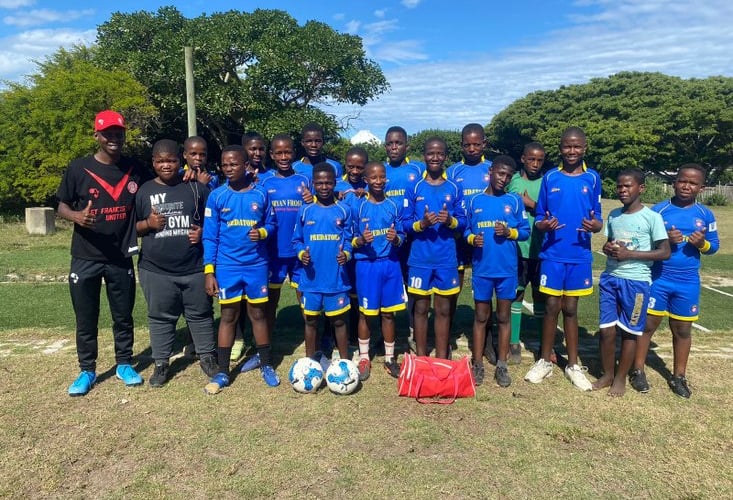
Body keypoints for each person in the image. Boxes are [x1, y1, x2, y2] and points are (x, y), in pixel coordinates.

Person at [58, 110, 151, 396]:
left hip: (120, 255)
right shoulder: (78, 168)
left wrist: (189, 175)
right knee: (86, 317)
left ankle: (124, 363)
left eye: (118, 132)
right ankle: (87, 369)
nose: (114, 138)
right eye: (108, 133)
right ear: (96, 135)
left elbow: (162, 182)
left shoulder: (135, 168)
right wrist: (76, 217)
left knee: (123, 316)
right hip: (85, 256)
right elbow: (60, 205)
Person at [523, 126, 603, 391]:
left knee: (571, 309)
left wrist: (595, 226)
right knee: (551, 307)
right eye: (567, 146)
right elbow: (541, 217)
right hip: (553, 255)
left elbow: (598, 219)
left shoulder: (592, 178)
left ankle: (572, 364)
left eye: (577, 146)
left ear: (584, 148)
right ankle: (544, 361)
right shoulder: (550, 178)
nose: (572, 151)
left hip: (579, 255)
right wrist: (544, 226)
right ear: (560, 148)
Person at [631, 164, 719, 398]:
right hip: (659, 278)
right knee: (648, 325)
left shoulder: (705, 215)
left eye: (692, 183)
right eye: (682, 181)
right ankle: (637, 370)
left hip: (687, 282)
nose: (686, 186)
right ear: (674, 182)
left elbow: (714, 247)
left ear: (701, 188)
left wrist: (702, 244)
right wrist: (666, 241)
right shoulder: (658, 212)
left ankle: (679, 376)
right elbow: (644, 244)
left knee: (682, 329)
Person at [135, 139, 218, 386]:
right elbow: (132, 228)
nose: (166, 165)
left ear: (179, 160)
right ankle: (161, 363)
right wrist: (148, 224)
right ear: (153, 163)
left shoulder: (196, 188)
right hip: (156, 269)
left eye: (170, 160)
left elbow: (216, 222)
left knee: (201, 314)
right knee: (160, 317)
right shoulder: (144, 191)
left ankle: (207, 357)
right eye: (160, 161)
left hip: (194, 267)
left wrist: (202, 231)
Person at [202, 145, 279, 394]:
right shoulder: (217, 196)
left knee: (258, 314)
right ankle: (223, 371)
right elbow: (210, 237)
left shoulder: (261, 193)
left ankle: (266, 364)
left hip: (256, 265)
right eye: (224, 164)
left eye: (233, 164)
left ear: (246, 165)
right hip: (227, 266)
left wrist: (263, 232)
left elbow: (272, 223)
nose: (228, 168)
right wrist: (209, 271)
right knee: (228, 316)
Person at [593, 169, 670, 396]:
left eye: (628, 186)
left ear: (640, 188)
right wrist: (607, 249)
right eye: (619, 186)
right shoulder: (614, 215)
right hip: (610, 278)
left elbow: (664, 252)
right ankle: (607, 374)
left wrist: (631, 255)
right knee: (607, 331)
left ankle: (620, 378)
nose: (622, 190)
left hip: (636, 283)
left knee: (629, 332)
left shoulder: (652, 217)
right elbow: (610, 244)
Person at [464, 156, 529, 386]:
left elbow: (524, 231)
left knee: (503, 317)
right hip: (482, 269)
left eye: (508, 176)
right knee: (481, 317)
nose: (504, 179)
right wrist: (472, 239)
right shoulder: (474, 201)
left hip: (506, 270)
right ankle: (478, 364)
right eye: (500, 174)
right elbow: (466, 232)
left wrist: (509, 233)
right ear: (490, 172)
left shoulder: (514, 201)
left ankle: (501, 365)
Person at [404, 137, 466, 359]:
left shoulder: (454, 187)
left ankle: (441, 358)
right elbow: (404, 223)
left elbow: (464, 221)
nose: (435, 157)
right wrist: (423, 224)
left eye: (440, 153)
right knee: (420, 310)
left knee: (443, 309)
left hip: (446, 259)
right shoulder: (414, 188)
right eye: (431, 153)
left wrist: (450, 221)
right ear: (424, 155)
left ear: (446, 157)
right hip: (420, 259)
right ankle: (421, 358)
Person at [292, 162, 353, 367]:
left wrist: (346, 254)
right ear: (313, 184)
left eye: (328, 183)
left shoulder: (344, 210)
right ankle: (311, 364)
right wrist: (302, 254)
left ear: (335, 183)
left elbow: (350, 240)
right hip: (310, 279)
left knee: (339, 321)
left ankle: (345, 364)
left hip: (335, 278)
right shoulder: (305, 210)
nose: (324, 187)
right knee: (311, 321)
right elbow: (296, 240)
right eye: (320, 183)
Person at [351, 161, 407, 380]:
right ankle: (364, 357)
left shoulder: (393, 206)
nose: (378, 181)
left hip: (390, 265)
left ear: (386, 179)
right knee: (366, 314)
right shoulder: (358, 207)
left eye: (381, 177)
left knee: (389, 313)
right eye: (373, 178)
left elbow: (402, 235)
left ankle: (390, 358)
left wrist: (397, 239)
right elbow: (349, 240)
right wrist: (360, 240)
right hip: (367, 266)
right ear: (366, 180)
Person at [259, 134, 313, 359]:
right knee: (270, 304)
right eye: (278, 153)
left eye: (287, 152)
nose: (283, 157)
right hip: (273, 253)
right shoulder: (265, 183)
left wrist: (313, 201)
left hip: (300, 253)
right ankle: (265, 350)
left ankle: (315, 348)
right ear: (271, 155)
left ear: (294, 153)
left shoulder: (304, 180)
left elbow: (314, 212)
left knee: (307, 303)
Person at [446, 123, 493, 360]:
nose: (472, 148)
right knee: (454, 286)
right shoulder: (453, 172)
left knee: (485, 288)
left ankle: (487, 340)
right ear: (462, 145)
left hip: (486, 238)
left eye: (477, 144)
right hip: (459, 237)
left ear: (484, 143)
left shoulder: (492, 169)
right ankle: (449, 333)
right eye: (467, 144)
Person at [383, 126, 425, 350]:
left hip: (412, 237)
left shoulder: (418, 169)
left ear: (406, 145)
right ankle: (383, 333)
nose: (394, 147)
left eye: (398, 143)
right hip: (387, 239)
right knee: (387, 282)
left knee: (413, 287)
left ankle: (412, 331)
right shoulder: (380, 170)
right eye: (390, 143)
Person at [506, 142, 546, 364]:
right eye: (531, 159)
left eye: (540, 160)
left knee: (540, 296)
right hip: (517, 249)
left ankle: (542, 343)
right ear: (523, 158)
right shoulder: (513, 182)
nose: (535, 163)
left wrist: (531, 204)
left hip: (541, 249)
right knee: (517, 294)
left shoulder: (547, 182)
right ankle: (513, 342)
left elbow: (553, 210)